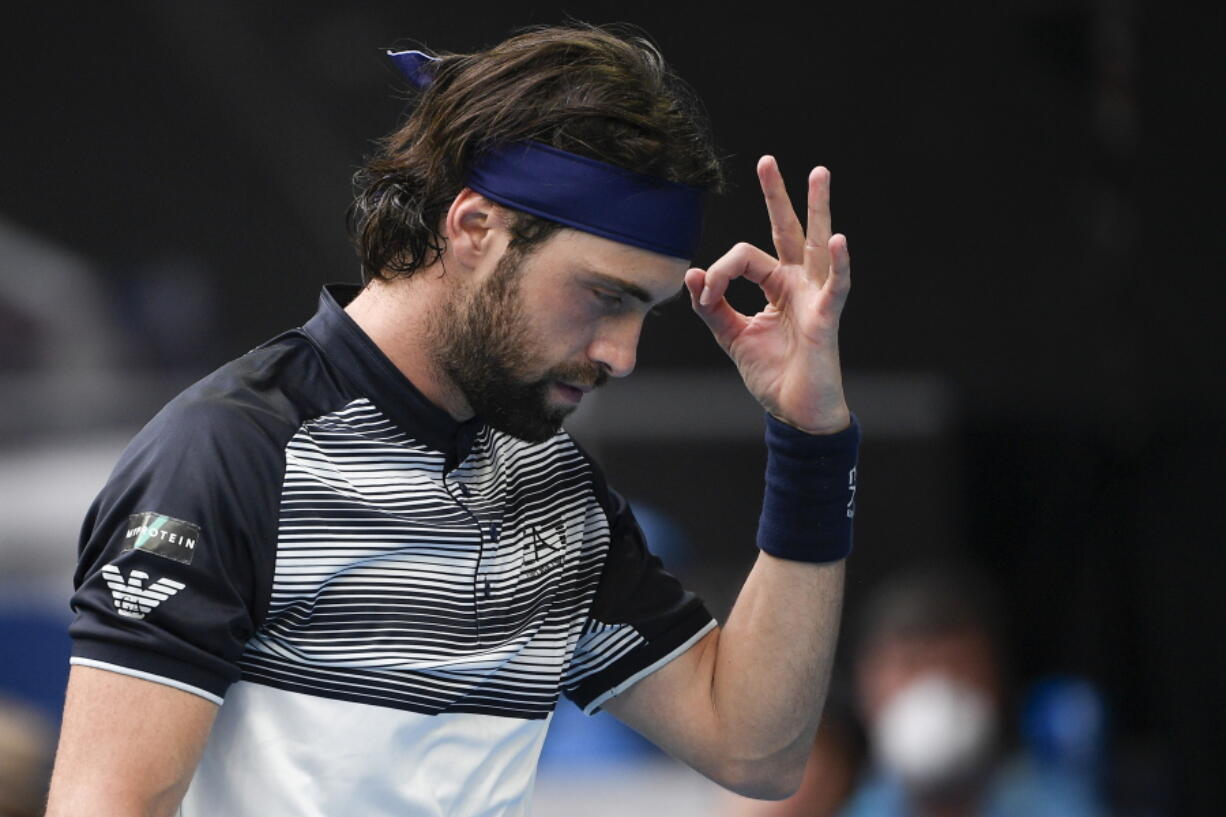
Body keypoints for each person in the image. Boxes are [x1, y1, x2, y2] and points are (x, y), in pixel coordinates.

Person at [45, 23, 858, 817]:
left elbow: (757, 750)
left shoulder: (556, 493)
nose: (622, 353)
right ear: (474, 229)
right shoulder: (230, 455)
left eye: (643, 310)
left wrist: (811, 445)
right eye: (604, 296)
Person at [835, 566, 1105, 817]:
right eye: (911, 664)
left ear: (997, 679)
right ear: (864, 685)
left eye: (957, 665)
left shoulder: (1060, 805)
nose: (936, 688)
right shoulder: (829, 802)